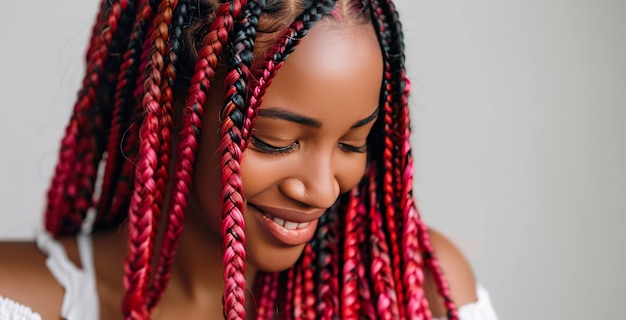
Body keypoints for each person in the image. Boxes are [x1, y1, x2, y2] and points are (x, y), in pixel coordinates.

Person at [0, 0, 497, 319]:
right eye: (277, 141)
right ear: (166, 112)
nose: (322, 189)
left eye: (352, 143)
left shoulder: (425, 293)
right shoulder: (16, 300)